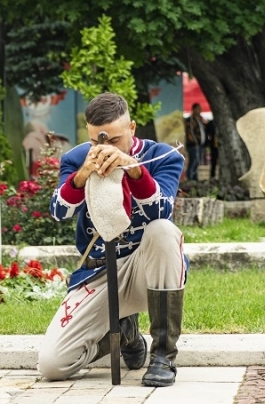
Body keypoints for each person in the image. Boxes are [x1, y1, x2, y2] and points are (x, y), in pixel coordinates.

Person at [38, 93, 187, 388]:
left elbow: (162, 209)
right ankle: (125, 333)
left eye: (115, 139)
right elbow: (58, 212)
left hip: (146, 270)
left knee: (163, 230)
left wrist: (133, 168)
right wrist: (82, 175)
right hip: (98, 272)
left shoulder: (163, 156)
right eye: (96, 141)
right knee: (53, 364)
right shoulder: (77, 158)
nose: (105, 147)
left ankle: (163, 356)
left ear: (132, 128)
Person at [185, 102, 207, 181]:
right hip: (194, 145)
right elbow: (190, 132)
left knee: (197, 161)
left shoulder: (199, 120)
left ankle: (195, 177)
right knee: (193, 161)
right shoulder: (190, 120)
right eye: (198, 109)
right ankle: (190, 178)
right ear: (194, 109)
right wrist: (195, 142)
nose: (200, 111)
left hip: (200, 145)